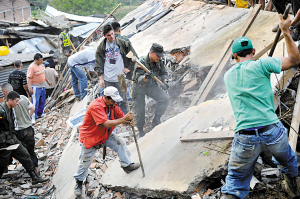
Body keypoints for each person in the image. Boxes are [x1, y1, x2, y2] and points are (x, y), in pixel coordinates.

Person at [221, 15, 300, 199]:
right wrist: (286, 32)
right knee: (288, 162)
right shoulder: (263, 64)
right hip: (272, 131)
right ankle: (293, 190)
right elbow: (295, 60)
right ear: (254, 50)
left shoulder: (228, 76)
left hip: (245, 137)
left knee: (235, 181)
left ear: (234, 56)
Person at [73, 86, 140, 197]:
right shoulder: (96, 106)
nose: (114, 103)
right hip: (91, 137)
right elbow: (105, 123)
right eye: (112, 100)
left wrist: (128, 121)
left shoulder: (112, 104)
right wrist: (123, 120)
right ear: (105, 97)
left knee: (120, 142)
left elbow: (121, 117)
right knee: (85, 162)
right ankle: (79, 182)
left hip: (105, 134)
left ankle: (126, 165)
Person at [0, 90, 48, 185]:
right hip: (3, 143)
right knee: (2, 163)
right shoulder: (1, 111)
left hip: (12, 139)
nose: (18, 103)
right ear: (10, 100)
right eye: (16, 101)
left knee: (25, 155)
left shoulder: (11, 108)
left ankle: (34, 178)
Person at [95, 23, 138, 114]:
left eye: (112, 34)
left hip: (120, 76)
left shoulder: (123, 43)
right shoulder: (101, 47)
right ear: (104, 36)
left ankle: (125, 117)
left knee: (123, 98)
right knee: (110, 100)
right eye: (108, 35)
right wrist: (101, 79)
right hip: (107, 77)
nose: (111, 36)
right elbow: (98, 62)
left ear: (114, 32)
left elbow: (134, 56)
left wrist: (129, 68)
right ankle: (114, 118)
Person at [132, 43, 169, 137]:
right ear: (151, 52)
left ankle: (156, 121)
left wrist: (165, 82)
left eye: (160, 56)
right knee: (140, 109)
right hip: (139, 87)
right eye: (157, 55)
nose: (159, 58)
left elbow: (164, 72)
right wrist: (145, 77)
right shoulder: (141, 62)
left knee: (164, 98)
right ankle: (140, 130)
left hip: (151, 86)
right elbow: (138, 80)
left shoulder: (158, 61)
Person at [0, 83, 38, 173]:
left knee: (14, 151)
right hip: (29, 128)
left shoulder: (8, 105)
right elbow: (32, 109)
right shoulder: (24, 98)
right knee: (31, 151)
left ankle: (6, 168)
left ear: (5, 92)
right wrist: (27, 118)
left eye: (1, 92)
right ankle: (36, 170)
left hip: (18, 131)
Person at [27, 53, 52, 124]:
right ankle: (33, 118)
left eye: (42, 60)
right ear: (35, 60)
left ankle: (39, 114)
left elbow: (43, 74)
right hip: (35, 87)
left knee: (42, 101)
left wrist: (47, 81)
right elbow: (28, 78)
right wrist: (30, 88)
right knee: (35, 102)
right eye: (40, 60)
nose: (42, 61)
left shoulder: (41, 65)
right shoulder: (31, 67)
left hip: (42, 86)